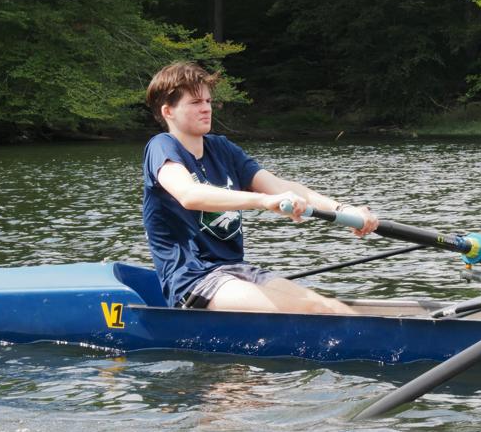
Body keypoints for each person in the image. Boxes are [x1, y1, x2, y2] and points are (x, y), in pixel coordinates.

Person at [142, 61, 378, 314]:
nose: (206, 108)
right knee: (310, 309)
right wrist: (263, 201)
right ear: (168, 111)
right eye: (195, 102)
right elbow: (189, 195)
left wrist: (344, 209)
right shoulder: (162, 146)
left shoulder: (221, 148)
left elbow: (279, 185)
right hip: (193, 279)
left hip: (237, 270)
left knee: (331, 308)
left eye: (208, 101)